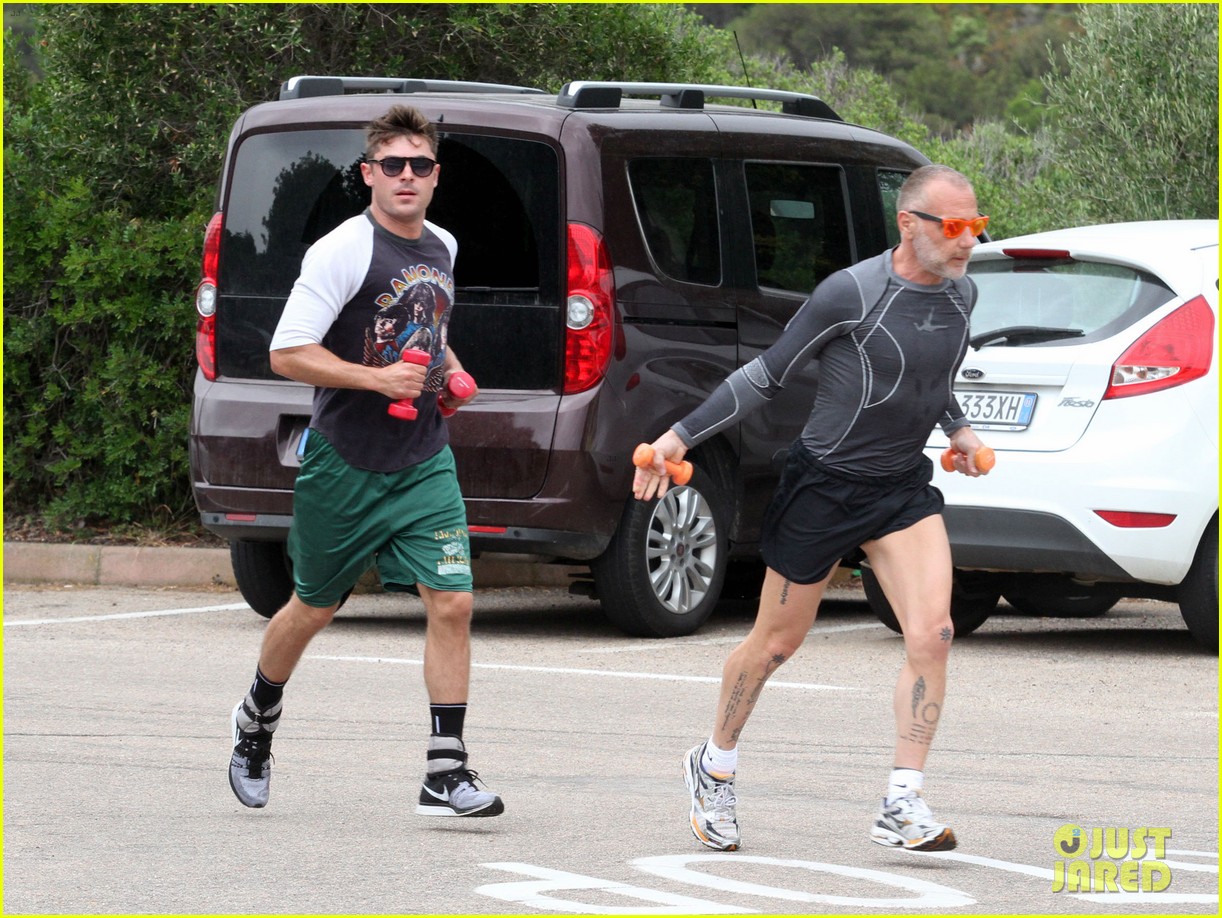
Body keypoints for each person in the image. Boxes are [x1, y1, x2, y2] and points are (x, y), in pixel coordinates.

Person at [632, 164, 992, 852]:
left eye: (975, 225)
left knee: (934, 634)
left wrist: (961, 430)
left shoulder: (962, 293)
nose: (967, 241)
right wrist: (679, 436)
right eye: (953, 226)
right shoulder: (849, 293)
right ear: (908, 223)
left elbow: (932, 375)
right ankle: (714, 764)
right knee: (775, 645)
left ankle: (902, 801)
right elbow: (765, 377)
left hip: (899, 488)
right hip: (823, 487)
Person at [228, 104, 503, 818]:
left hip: (423, 459)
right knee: (313, 607)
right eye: (392, 165)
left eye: (420, 164)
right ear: (369, 174)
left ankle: (445, 771)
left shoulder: (442, 245)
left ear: (436, 176)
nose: (406, 176)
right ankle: (256, 717)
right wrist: (378, 380)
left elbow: (425, 325)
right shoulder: (342, 250)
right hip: (345, 460)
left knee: (453, 601)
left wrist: (450, 371)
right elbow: (288, 352)